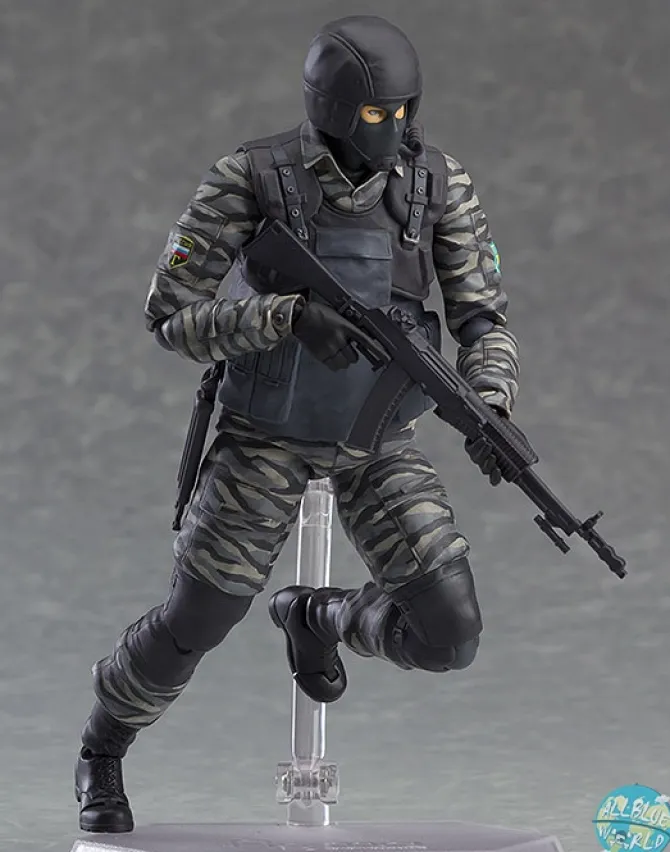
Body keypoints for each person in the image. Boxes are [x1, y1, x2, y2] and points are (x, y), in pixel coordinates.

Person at [74, 15, 520, 834]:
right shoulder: (251, 177)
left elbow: (482, 318)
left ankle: (318, 616)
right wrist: (282, 317)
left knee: (450, 634)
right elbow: (169, 317)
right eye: (379, 113)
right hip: (265, 434)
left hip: (376, 438)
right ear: (336, 109)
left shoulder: (438, 184)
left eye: (407, 110)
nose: (398, 128)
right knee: (198, 619)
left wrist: (488, 404)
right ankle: (103, 745)